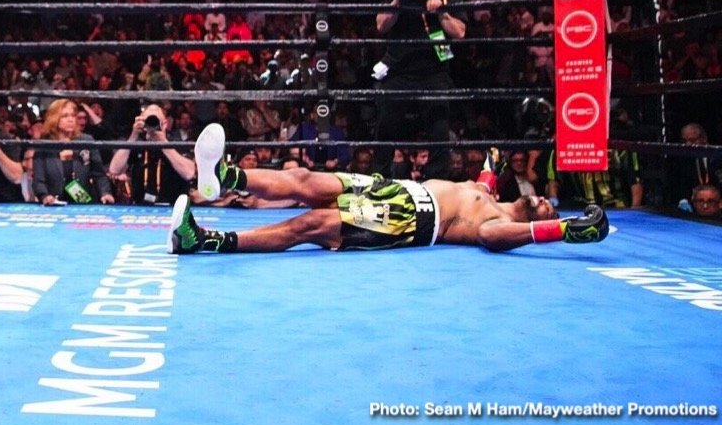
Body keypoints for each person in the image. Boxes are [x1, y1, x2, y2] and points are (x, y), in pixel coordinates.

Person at [170, 124, 609, 254]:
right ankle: (225, 179)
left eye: (551, 209)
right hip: (398, 189)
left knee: (312, 224)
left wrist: (565, 230)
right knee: (307, 180)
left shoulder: (497, 220)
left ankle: (204, 240)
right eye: (550, 201)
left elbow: (490, 237)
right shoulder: (487, 191)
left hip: (409, 220)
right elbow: (491, 164)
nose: (546, 202)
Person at [373, 0, 467, 175]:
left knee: (439, 130)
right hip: (399, 69)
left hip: (433, 72)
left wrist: (441, 13)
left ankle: (437, 183)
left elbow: (460, 32)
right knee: (386, 126)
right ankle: (379, 178)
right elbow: (381, 26)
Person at [108, 103, 197, 205]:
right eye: (148, 121)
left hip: (172, 205)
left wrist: (164, 144)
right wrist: (133, 136)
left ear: (164, 124)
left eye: (155, 121)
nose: (152, 125)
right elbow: (114, 170)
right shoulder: (137, 144)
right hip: (139, 205)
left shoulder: (176, 142)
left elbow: (189, 173)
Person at [32, 99, 115, 205]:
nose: (71, 120)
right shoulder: (44, 145)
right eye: (65, 116)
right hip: (54, 203)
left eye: (72, 115)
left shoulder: (86, 141)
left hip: (82, 202)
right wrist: (44, 196)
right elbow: (38, 180)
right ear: (54, 118)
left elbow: (99, 174)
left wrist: (105, 193)